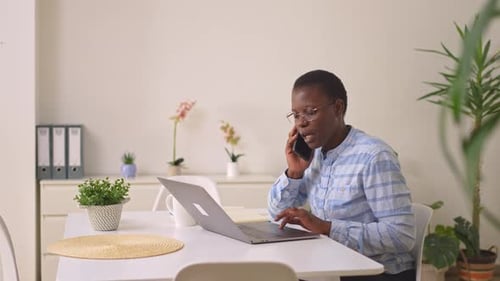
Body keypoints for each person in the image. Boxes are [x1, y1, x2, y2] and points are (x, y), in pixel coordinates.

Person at [268, 69, 416, 281]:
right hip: (333, 265)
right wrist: (294, 172)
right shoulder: (315, 155)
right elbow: (276, 214)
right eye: (296, 114)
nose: (301, 123)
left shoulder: (374, 156)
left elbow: (401, 235)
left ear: (338, 108)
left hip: (379, 272)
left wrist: (327, 228)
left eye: (310, 112)